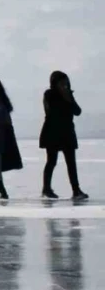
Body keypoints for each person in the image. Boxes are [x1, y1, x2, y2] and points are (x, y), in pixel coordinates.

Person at [39, 71, 88, 200]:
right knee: (51, 161)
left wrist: (69, 98)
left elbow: (78, 111)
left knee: (71, 162)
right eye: (61, 82)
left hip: (67, 132)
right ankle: (46, 189)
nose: (64, 85)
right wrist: (64, 98)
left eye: (65, 82)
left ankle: (76, 190)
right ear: (55, 83)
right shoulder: (49, 94)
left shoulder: (69, 95)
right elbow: (51, 112)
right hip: (52, 132)